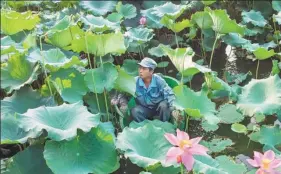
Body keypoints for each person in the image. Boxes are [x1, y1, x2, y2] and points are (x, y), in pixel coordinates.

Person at [131, 57, 178, 122]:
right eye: (140, 67)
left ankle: (164, 125)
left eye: (144, 68)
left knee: (164, 105)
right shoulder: (134, 82)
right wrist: (122, 103)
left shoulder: (158, 80)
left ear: (151, 71)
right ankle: (145, 128)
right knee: (135, 111)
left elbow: (170, 94)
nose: (140, 71)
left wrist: (174, 109)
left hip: (159, 109)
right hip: (145, 109)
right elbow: (124, 92)